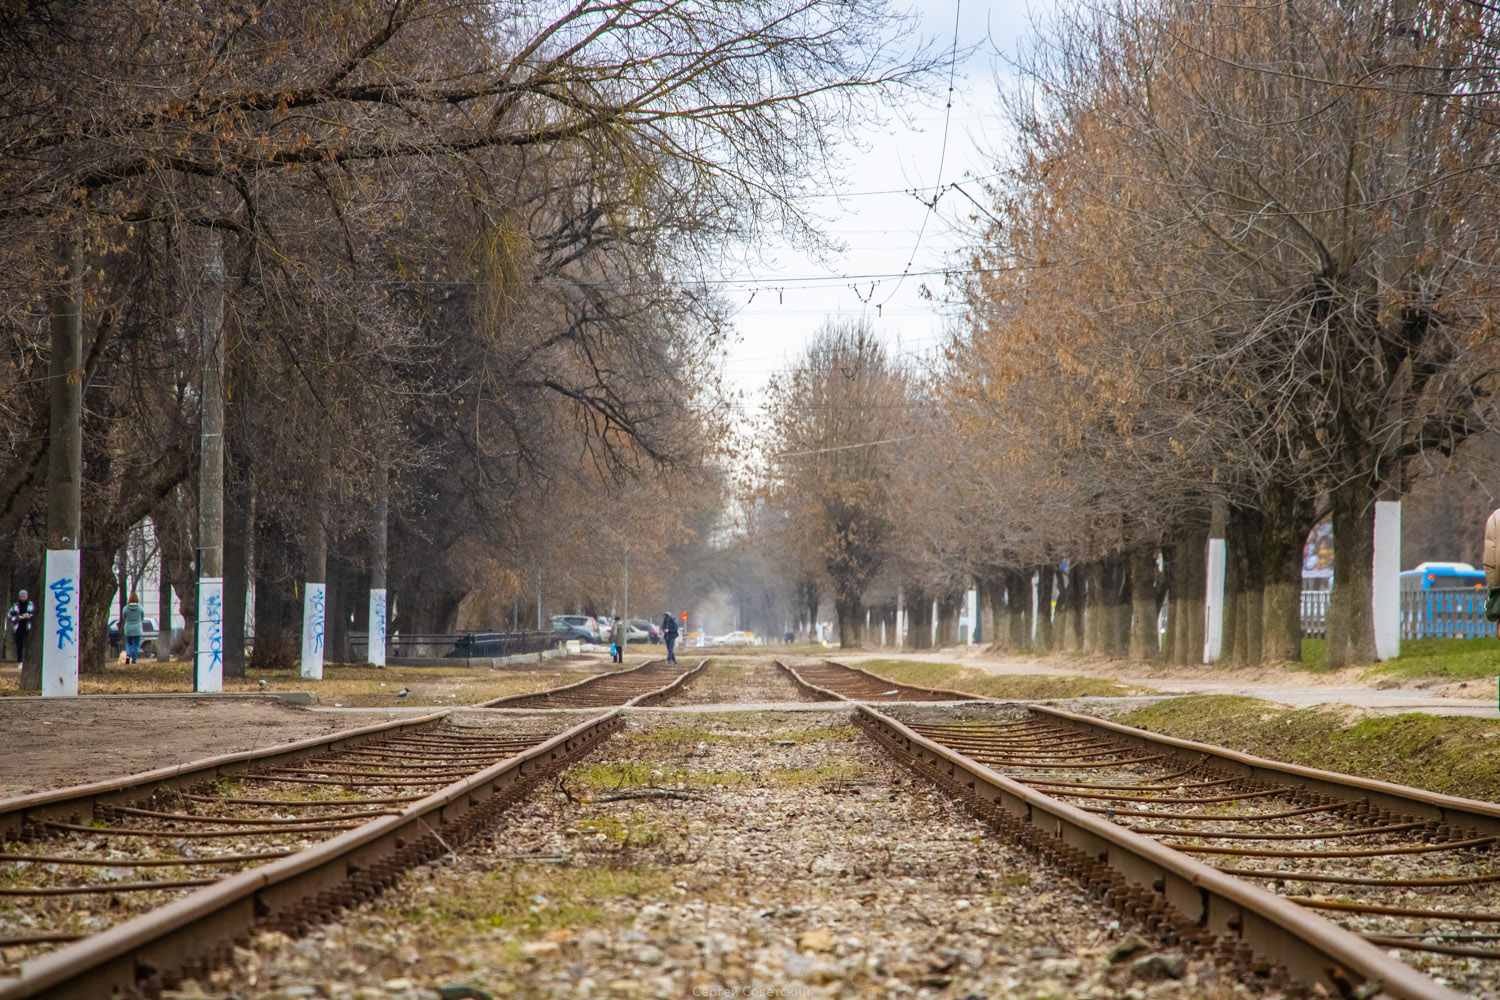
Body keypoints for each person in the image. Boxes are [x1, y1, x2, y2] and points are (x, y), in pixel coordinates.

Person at [8, 590, 33, 671]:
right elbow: (9, 616)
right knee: (19, 645)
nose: (23, 598)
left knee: (28, 644)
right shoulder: (15, 605)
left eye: (24, 596)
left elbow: (35, 614)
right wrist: (18, 618)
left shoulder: (31, 604)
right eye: (21, 596)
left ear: (27, 596)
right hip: (18, 628)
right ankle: (19, 660)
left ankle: (29, 660)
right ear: (19, 597)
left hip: (28, 627)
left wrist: (28, 616)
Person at [122, 591, 145, 664]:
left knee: (129, 643)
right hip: (137, 629)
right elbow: (142, 618)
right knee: (136, 645)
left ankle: (128, 655)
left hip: (128, 628)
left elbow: (124, 617)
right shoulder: (140, 608)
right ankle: (134, 660)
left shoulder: (125, 608)